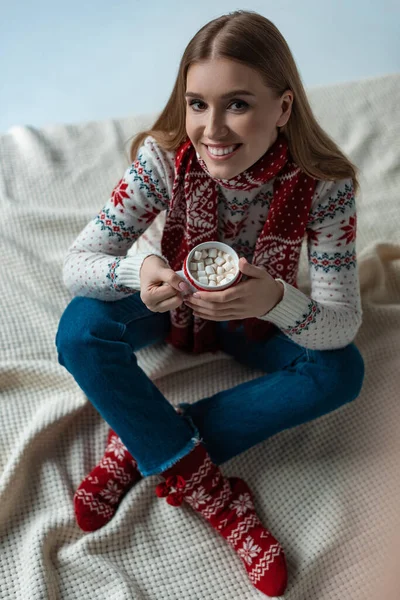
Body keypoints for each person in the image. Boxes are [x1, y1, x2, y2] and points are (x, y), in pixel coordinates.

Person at [55, 10, 365, 597]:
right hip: (171, 299)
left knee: (341, 370)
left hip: (258, 319)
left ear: (284, 108)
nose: (212, 129)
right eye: (198, 103)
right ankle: (217, 497)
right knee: (80, 332)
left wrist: (274, 299)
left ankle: (143, 439)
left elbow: (341, 323)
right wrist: (141, 268)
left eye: (238, 104)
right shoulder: (162, 160)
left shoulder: (327, 188)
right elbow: (77, 264)